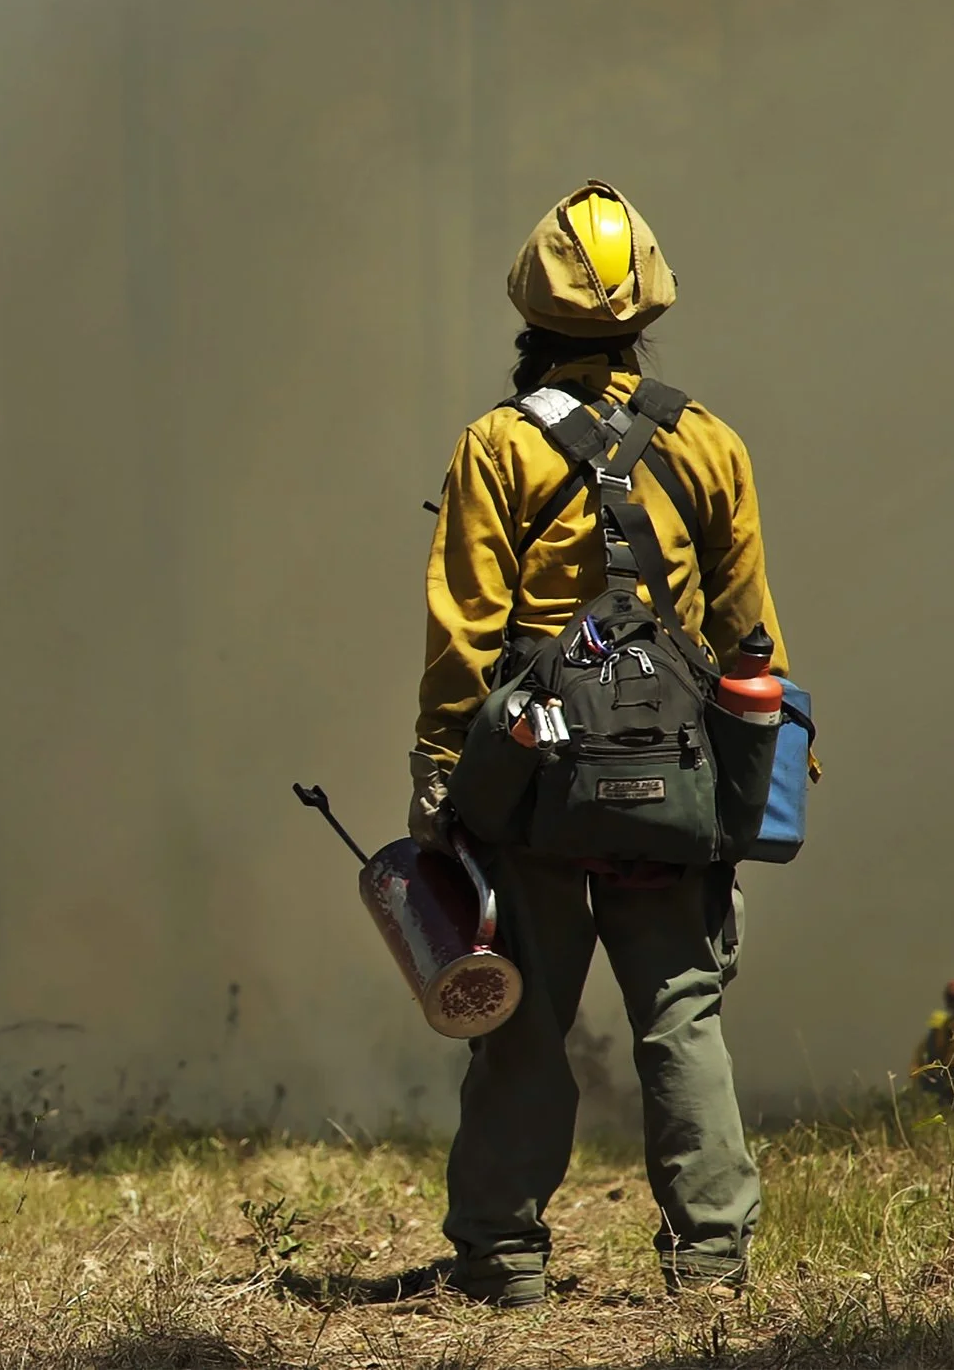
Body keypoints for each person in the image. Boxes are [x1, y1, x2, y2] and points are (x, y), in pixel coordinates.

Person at [407, 180, 790, 1306]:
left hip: (532, 781)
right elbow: (749, 632)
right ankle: (711, 1261)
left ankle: (502, 1258)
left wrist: (441, 775)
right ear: (644, 314)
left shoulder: (495, 448)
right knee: (679, 1008)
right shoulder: (710, 442)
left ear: (530, 312)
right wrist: (754, 785)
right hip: (674, 778)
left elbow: (462, 630)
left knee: (521, 1016)